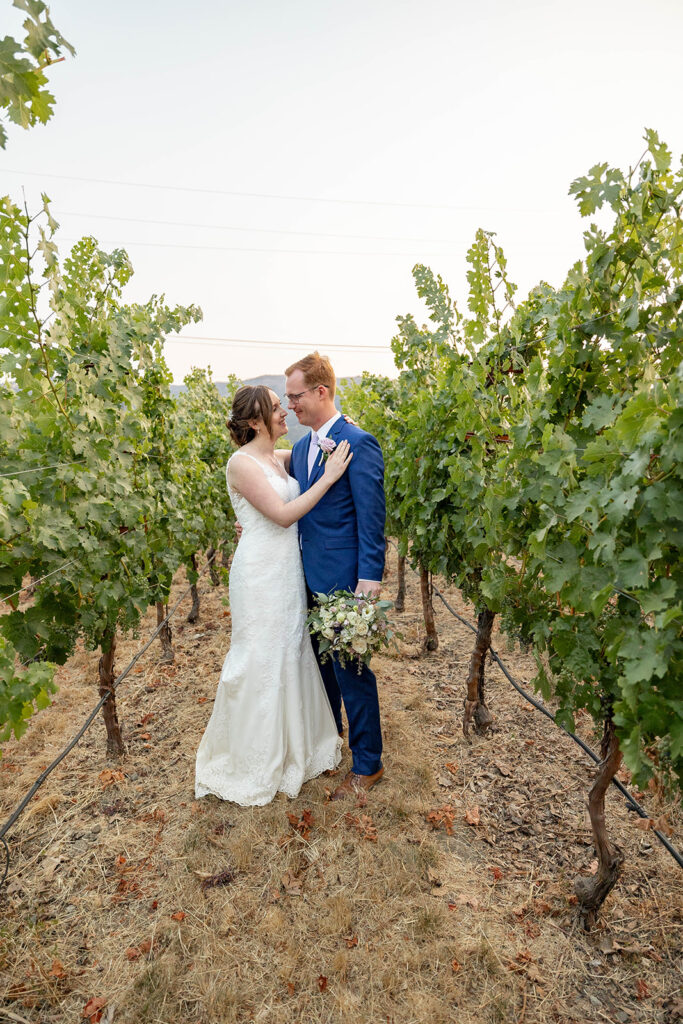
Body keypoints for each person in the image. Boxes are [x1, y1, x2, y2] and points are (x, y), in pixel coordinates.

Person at [195, 384, 352, 806]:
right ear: (253, 421)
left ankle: (295, 748)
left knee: (290, 651)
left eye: (285, 405)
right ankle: (253, 760)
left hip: (287, 572)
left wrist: (346, 429)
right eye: (277, 407)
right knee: (260, 657)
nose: (285, 412)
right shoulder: (240, 463)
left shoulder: (277, 457)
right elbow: (282, 516)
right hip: (260, 574)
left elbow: (316, 450)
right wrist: (330, 478)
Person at [285, 352, 386, 800]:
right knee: (321, 669)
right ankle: (332, 746)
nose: (291, 405)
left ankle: (368, 763)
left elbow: (372, 517)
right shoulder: (305, 446)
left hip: (346, 580)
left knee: (352, 671)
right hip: (304, 577)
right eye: (286, 398)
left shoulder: (357, 442)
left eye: (296, 396)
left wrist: (370, 577)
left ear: (320, 392)